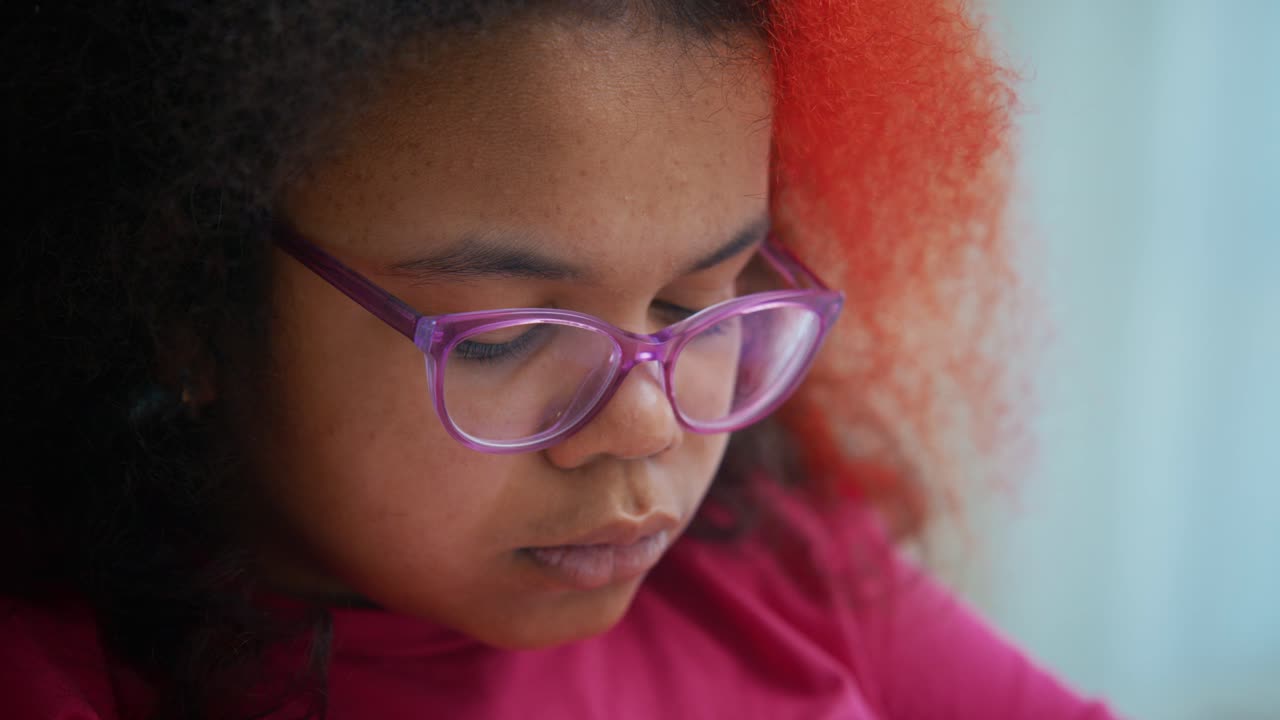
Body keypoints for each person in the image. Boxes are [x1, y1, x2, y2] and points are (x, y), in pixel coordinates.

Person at [1, 1, 1118, 718]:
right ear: (189, 300)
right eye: (509, 336)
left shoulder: (786, 567)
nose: (649, 425)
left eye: (700, 298)